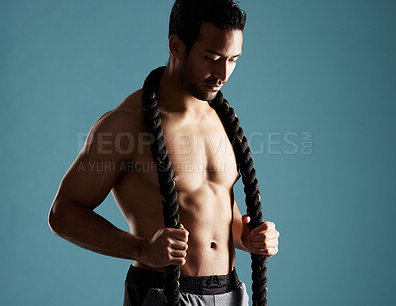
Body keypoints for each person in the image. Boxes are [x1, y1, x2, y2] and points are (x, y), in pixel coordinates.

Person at [48, 0, 280, 305]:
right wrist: (143, 250)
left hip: (231, 292)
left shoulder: (222, 119)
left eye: (233, 59)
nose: (223, 73)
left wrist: (246, 235)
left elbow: (211, 203)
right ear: (176, 47)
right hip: (162, 291)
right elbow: (62, 214)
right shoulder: (126, 125)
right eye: (212, 57)